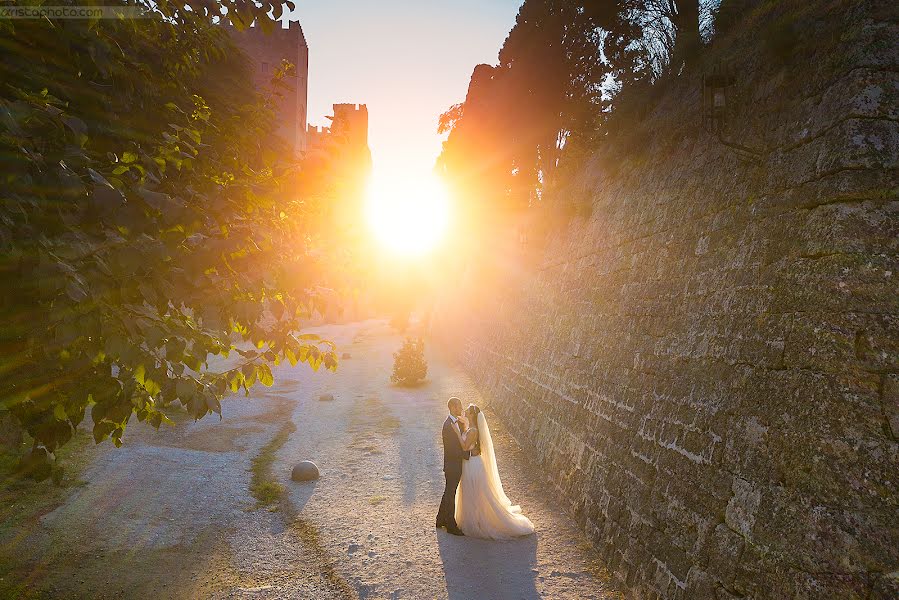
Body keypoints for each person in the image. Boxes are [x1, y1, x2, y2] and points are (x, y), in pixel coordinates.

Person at [453, 403, 535, 540]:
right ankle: (474, 518)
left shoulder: (473, 431)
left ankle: (477, 521)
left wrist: (457, 433)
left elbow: (466, 447)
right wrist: (463, 426)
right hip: (470, 463)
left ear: (472, 414)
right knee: (471, 492)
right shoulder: (471, 428)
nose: (465, 410)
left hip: (473, 464)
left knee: (475, 492)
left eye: (468, 409)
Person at [436, 396, 468, 536]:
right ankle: (451, 525)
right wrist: (466, 454)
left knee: (448, 492)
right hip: (452, 465)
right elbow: (452, 449)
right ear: (453, 407)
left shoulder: (457, 423)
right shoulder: (448, 425)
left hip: (454, 464)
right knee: (451, 494)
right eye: (459, 405)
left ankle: (440, 519)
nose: (461, 408)